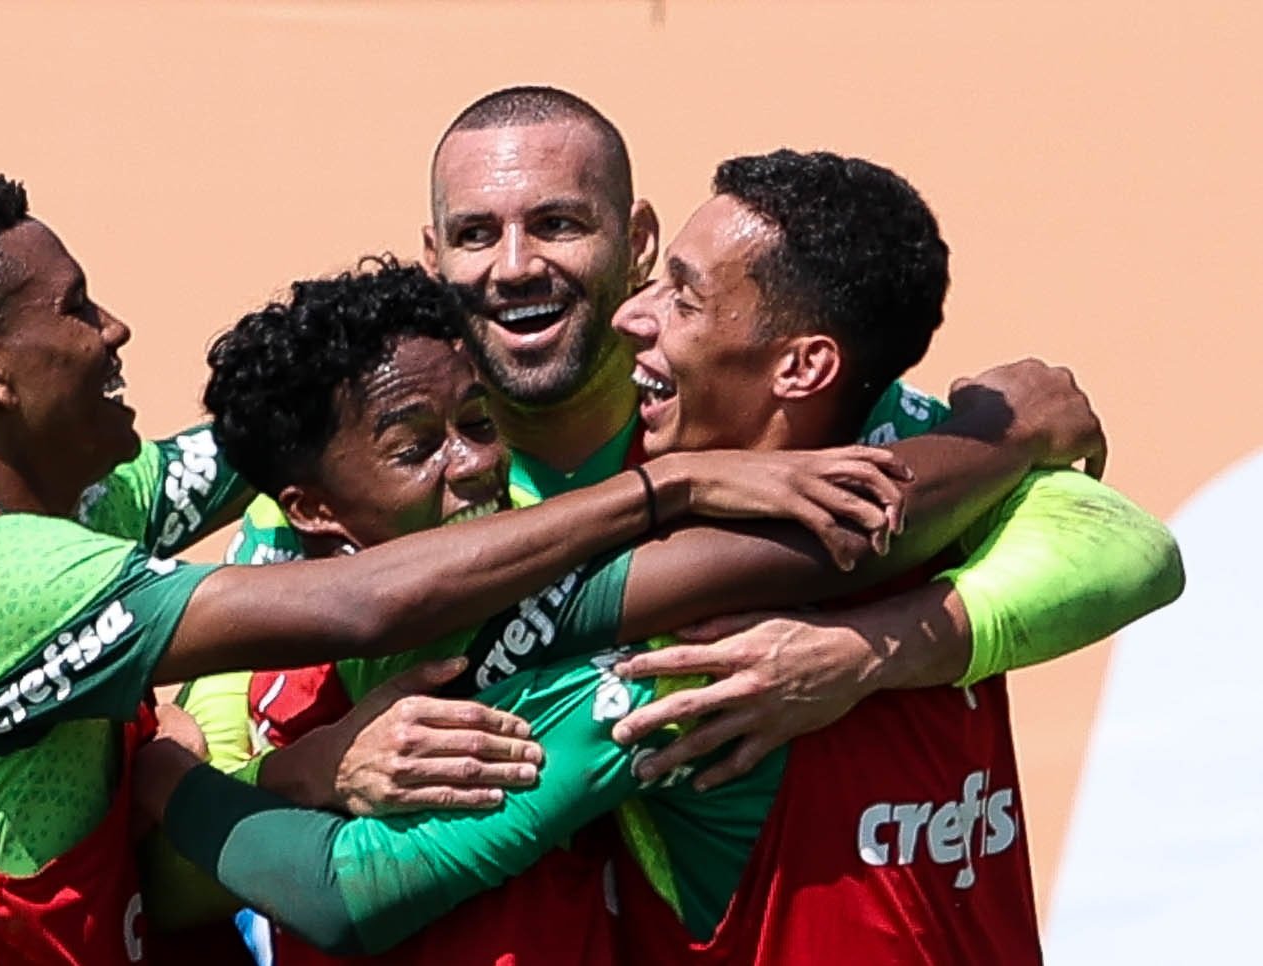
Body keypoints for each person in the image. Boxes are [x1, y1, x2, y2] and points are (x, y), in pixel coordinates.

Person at [145, 155, 1180, 961]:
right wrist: (296, 773)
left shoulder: (899, 495)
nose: (517, 267)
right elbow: (221, 884)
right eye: (472, 234)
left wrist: (869, 651)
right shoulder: (321, 557)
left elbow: (1138, 550)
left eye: (677, 294)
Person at [0, 173, 838, 965]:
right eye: (75, 308)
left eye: (477, 427)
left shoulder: (84, 504)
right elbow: (361, 604)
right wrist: (668, 489)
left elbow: (292, 429)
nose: (114, 328)